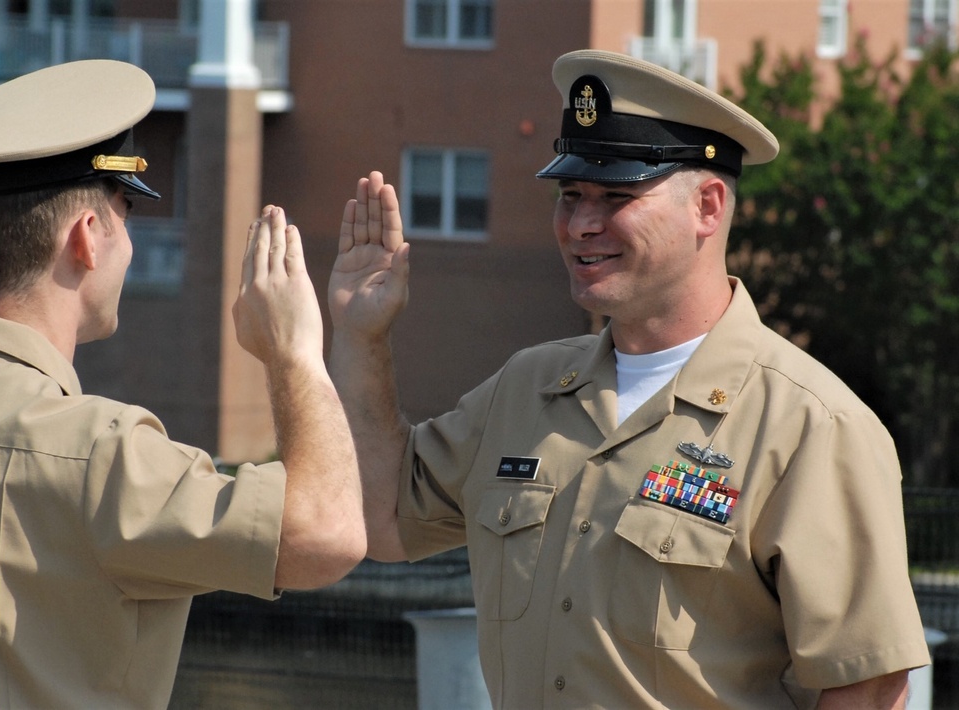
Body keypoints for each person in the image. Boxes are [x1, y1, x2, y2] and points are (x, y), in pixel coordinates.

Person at [328, 49, 931, 708]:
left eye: (616, 196)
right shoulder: (525, 388)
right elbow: (379, 519)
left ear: (707, 205)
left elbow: (867, 688)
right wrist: (362, 338)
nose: (582, 224)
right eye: (571, 195)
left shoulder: (811, 426)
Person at [0, 60, 365, 708]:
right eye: (126, 212)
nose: (133, 245)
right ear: (87, 237)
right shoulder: (100, 454)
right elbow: (328, 535)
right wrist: (294, 353)